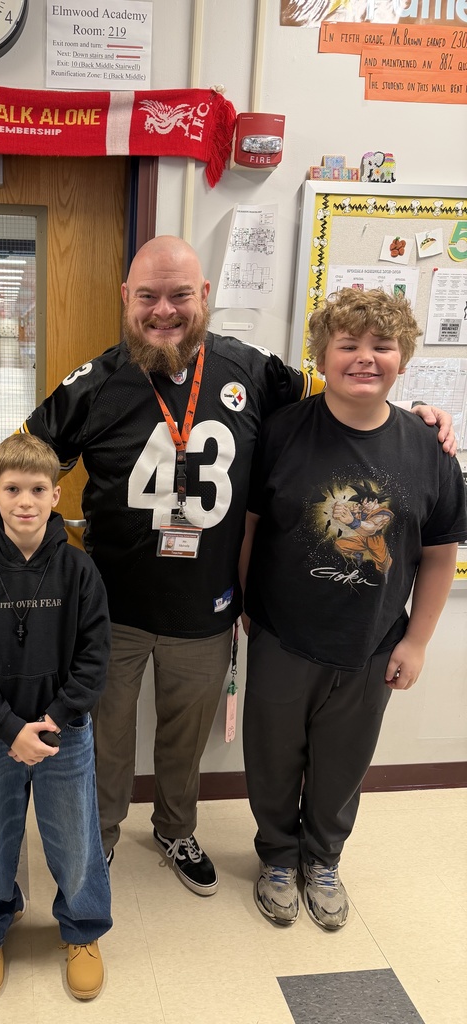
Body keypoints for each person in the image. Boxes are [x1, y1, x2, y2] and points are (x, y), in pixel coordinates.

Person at [21, 235, 455, 897]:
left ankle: (174, 828)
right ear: (126, 301)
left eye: (179, 296)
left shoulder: (254, 371)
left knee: (185, 735)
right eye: (148, 297)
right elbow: (23, 464)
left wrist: (420, 415)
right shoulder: (96, 380)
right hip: (109, 608)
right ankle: (101, 834)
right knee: (105, 736)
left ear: (205, 298)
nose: (163, 311)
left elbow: (347, 398)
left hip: (207, 605)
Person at [239, 289, 467, 930]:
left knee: (343, 760)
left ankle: (323, 859)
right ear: (322, 355)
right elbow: (251, 528)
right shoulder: (284, 430)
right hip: (282, 632)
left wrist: (416, 642)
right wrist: (245, 605)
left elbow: (439, 554)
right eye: (348, 345)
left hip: (371, 642)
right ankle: (278, 856)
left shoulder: (429, 448)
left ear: (403, 358)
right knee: (274, 754)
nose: (365, 358)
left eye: (381, 346)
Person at [0, 433, 112, 1001]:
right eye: (12, 488)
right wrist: (10, 728)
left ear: (55, 493)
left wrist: (55, 719)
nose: (25, 501)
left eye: (37, 489)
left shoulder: (79, 570)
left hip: (65, 732)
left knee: (75, 838)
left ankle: (83, 930)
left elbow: (94, 658)